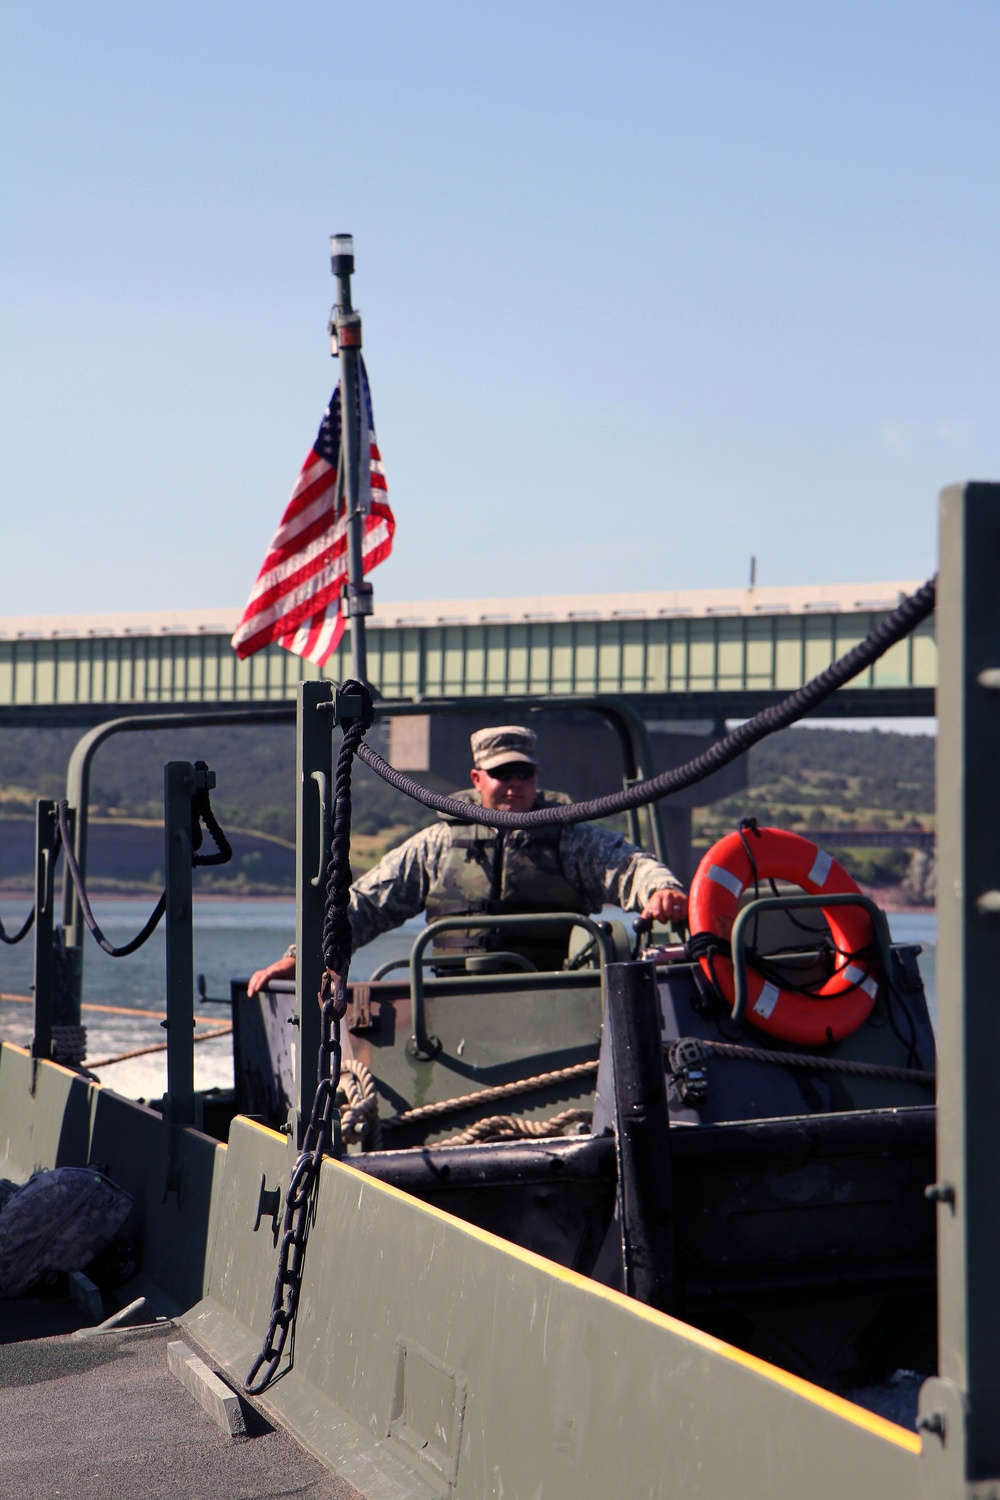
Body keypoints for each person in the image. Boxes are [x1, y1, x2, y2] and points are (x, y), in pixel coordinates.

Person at [247, 724, 687, 992]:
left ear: (537, 777)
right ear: (477, 778)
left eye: (523, 773)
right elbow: (366, 903)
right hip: (451, 1006)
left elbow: (629, 865)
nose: (513, 784)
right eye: (500, 774)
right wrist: (302, 959)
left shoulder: (571, 840)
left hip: (555, 997)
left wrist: (661, 889)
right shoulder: (437, 845)